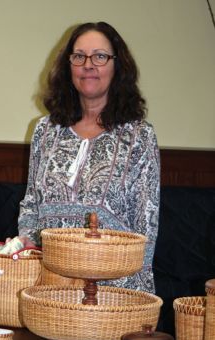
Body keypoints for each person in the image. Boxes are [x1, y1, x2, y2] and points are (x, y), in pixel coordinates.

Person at [18, 21, 160, 293]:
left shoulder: (139, 136)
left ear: (117, 66)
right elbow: (31, 202)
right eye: (79, 56)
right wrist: (27, 242)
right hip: (51, 285)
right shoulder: (45, 131)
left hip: (114, 292)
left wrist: (133, 297)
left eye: (100, 56)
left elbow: (147, 227)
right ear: (68, 65)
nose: (88, 65)